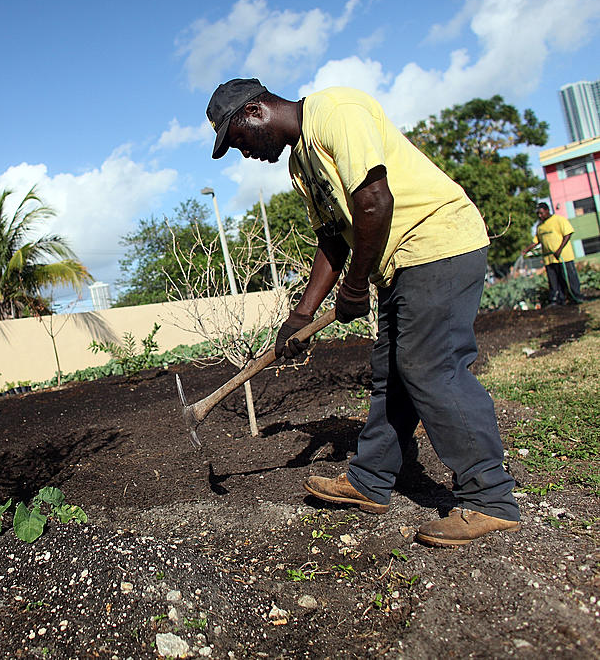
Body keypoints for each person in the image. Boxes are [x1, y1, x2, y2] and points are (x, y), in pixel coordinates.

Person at [206, 78, 520, 546]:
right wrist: (301, 314)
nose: (242, 152)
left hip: (438, 243)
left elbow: (374, 200)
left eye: (237, 140)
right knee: (391, 372)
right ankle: (371, 480)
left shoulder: (337, 110)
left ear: (254, 112)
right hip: (400, 265)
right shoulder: (301, 163)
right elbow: (333, 237)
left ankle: (489, 498)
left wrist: (354, 287)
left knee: (430, 367)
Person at [522, 202, 583, 306]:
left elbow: (568, 234)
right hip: (549, 259)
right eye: (538, 214)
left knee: (568, 278)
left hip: (563, 257)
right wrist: (526, 250)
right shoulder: (540, 227)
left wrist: (559, 250)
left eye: (541, 213)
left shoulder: (559, 220)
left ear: (547, 211)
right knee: (554, 281)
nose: (540, 216)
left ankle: (576, 297)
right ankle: (557, 300)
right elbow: (536, 241)